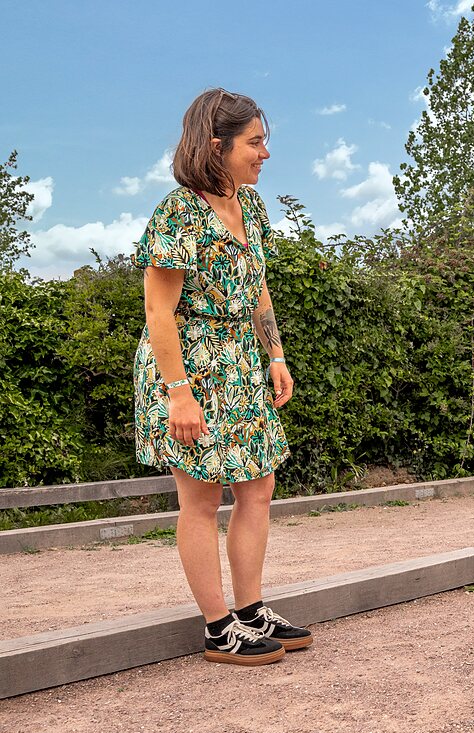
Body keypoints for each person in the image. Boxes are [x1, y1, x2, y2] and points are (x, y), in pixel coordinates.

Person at [133, 88, 312, 664]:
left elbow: (257, 288)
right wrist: (178, 394)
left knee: (258, 487)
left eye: (264, 141)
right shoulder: (178, 212)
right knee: (202, 498)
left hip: (240, 363)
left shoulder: (251, 207)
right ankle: (218, 627)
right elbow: (159, 311)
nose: (264, 153)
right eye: (254, 143)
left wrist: (275, 355)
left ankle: (252, 611)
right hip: (190, 370)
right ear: (217, 146)